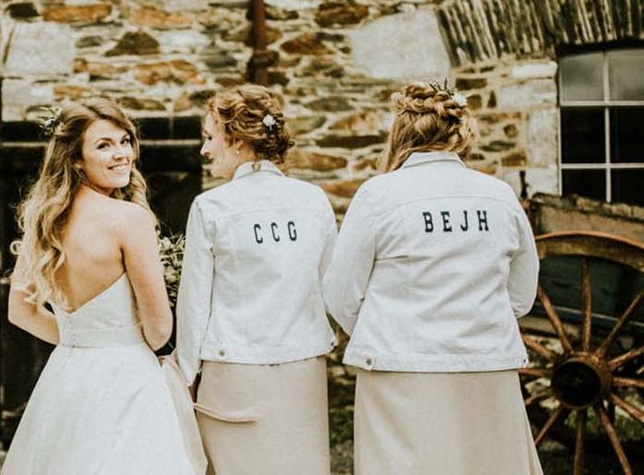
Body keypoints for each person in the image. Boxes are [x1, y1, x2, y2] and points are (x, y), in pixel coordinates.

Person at [324, 82, 543, 475]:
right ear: (460, 132)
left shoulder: (378, 195)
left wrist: (384, 326)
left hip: (401, 368)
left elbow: (340, 293)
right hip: (486, 361)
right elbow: (522, 293)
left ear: (401, 133)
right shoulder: (499, 195)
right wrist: (475, 318)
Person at [2, 98, 198, 475]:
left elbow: (19, 310)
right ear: (76, 159)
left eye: (124, 141)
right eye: (104, 146)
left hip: (66, 376)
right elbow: (159, 330)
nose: (122, 154)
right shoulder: (129, 220)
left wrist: (79, 337)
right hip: (127, 377)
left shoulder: (43, 220)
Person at [175, 85, 336, 475]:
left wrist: (185, 375)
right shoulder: (313, 199)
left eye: (209, 138)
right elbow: (331, 286)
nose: (204, 150)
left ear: (236, 140)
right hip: (303, 364)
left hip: (234, 368)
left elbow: (195, 303)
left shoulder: (211, 207)